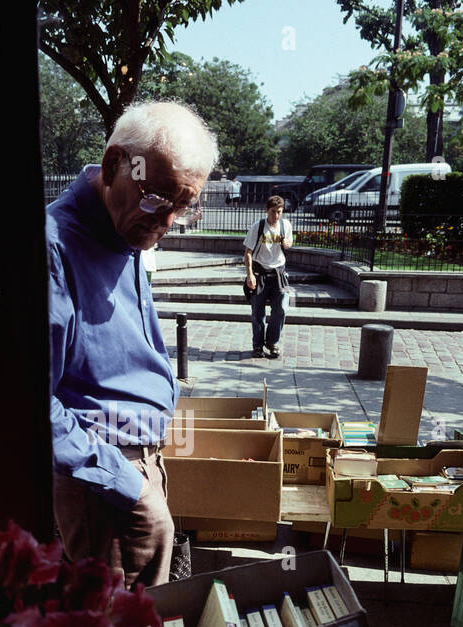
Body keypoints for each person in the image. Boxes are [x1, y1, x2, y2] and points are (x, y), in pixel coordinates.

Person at [45, 101, 217, 589]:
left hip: (134, 464)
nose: (166, 221)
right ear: (112, 165)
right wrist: (129, 487)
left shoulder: (124, 231)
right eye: (157, 199)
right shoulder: (55, 247)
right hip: (105, 472)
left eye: (183, 207)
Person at [243, 195, 293, 359]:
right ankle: (257, 345)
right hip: (260, 274)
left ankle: (272, 342)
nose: (276, 216)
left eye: (279, 212)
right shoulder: (258, 227)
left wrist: (287, 244)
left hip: (279, 274)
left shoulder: (285, 226)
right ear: (266, 210)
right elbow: (248, 253)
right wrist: (250, 275)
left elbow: (289, 242)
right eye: (273, 212)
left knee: (281, 309)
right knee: (258, 312)